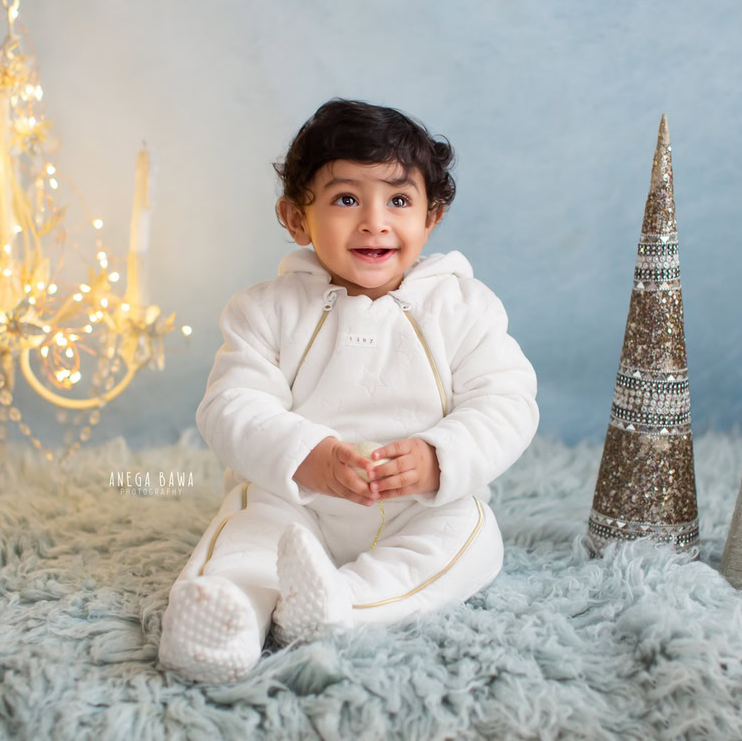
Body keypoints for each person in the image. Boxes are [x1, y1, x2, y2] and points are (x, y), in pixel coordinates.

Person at [157, 98, 539, 684]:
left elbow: (507, 403)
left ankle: (343, 603)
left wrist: (441, 457)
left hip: (417, 507)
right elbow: (231, 405)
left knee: (472, 539)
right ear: (295, 216)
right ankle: (223, 620)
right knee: (244, 531)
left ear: (431, 218)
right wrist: (304, 456)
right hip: (296, 500)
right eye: (345, 199)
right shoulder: (266, 310)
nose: (374, 221)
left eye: (399, 200)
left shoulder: (463, 307)